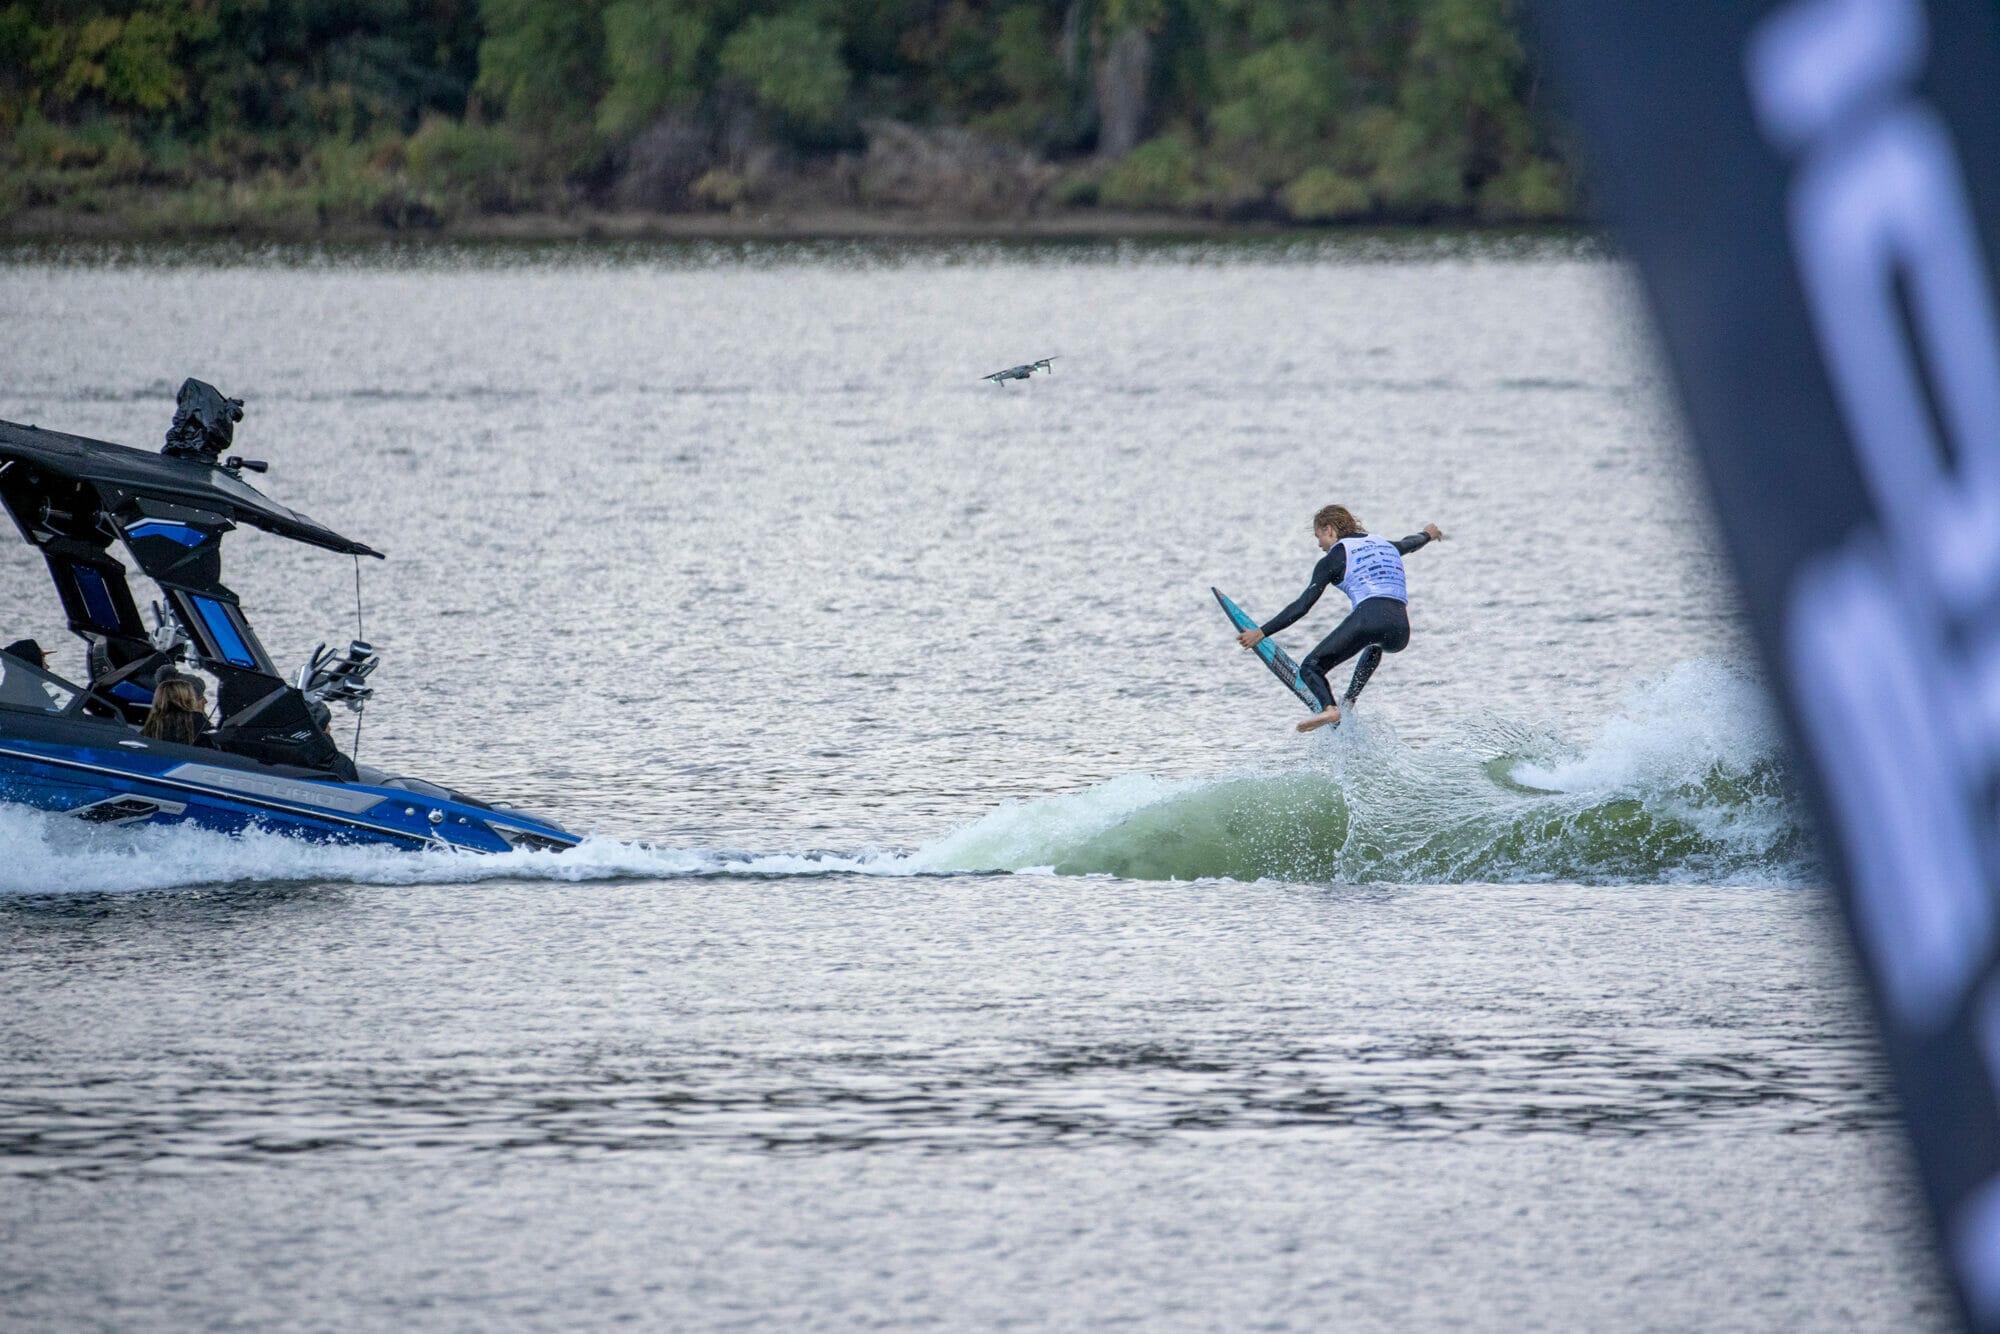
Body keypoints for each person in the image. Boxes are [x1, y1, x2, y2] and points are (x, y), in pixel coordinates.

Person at [1236, 504, 1443, 732]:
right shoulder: (1385, 545)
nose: (1319, 545)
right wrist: (1428, 534)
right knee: (1375, 645)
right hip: (1401, 631)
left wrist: (1261, 633)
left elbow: (1302, 606)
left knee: (1311, 667)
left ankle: (1330, 708)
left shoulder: (1334, 558)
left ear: (1329, 529)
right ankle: (1349, 700)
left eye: (1318, 536)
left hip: (1369, 618)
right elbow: (1410, 543)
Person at [140, 673, 216, 748]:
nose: (205, 701)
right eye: (194, 696)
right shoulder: (197, 721)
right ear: (187, 698)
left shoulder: (153, 726)